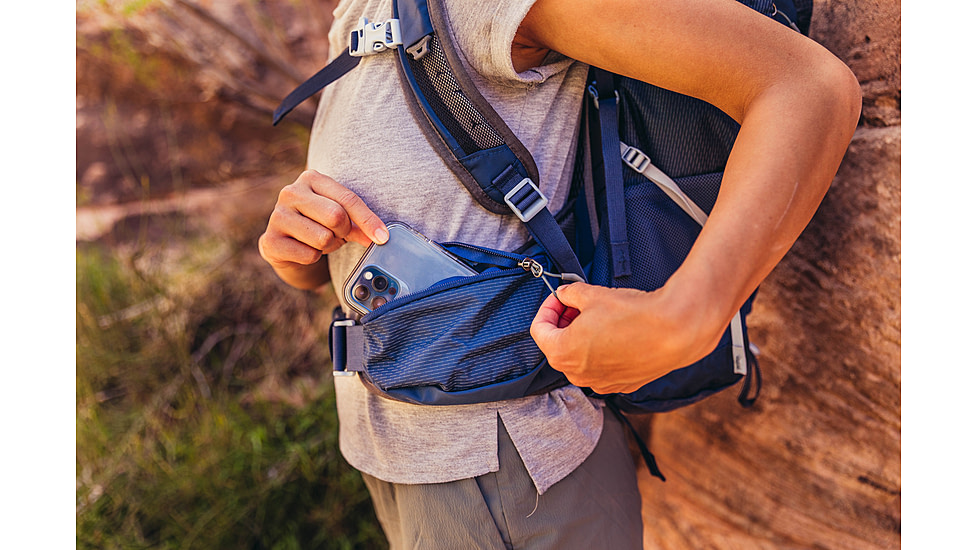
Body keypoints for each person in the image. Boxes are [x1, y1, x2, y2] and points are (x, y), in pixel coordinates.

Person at [258, 0, 861, 547]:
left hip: (512, 477)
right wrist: (299, 255)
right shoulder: (358, 15)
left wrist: (688, 317)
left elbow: (808, 86)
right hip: (398, 456)